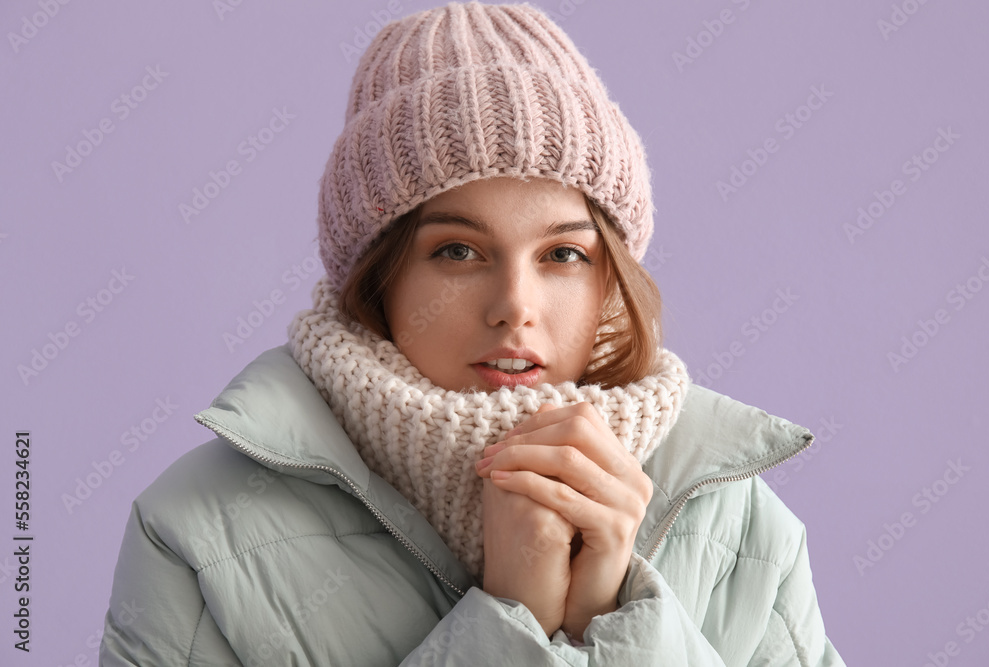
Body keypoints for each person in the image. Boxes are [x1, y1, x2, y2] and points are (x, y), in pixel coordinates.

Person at [99, 2, 846, 664]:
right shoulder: (196, 532)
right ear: (378, 278)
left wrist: (616, 623)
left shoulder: (741, 525)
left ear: (609, 280)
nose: (515, 306)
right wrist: (509, 621)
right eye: (458, 251)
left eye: (563, 254)